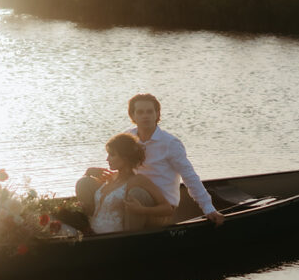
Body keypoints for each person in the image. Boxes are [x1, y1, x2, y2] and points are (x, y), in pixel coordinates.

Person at [78, 94, 224, 227]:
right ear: (132, 116)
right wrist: (105, 176)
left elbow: (190, 177)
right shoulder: (128, 136)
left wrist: (208, 208)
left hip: (160, 207)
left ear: (157, 114)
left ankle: (129, 242)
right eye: (140, 112)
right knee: (86, 183)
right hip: (129, 192)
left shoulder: (170, 144)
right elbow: (120, 164)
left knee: (137, 194)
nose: (145, 116)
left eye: (150, 111)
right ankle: (91, 228)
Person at [85, 133, 174, 234]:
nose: (107, 159)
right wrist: (88, 173)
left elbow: (167, 208)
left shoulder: (138, 180)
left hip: (113, 237)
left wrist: (142, 210)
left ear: (125, 157)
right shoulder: (110, 177)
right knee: (84, 182)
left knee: (137, 193)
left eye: (112, 155)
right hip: (92, 231)